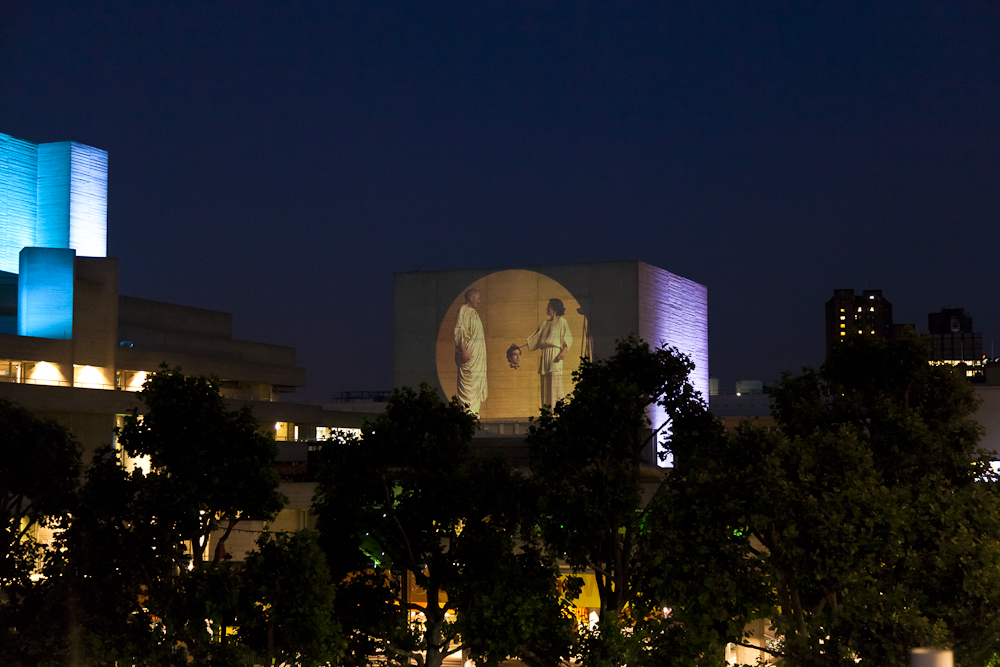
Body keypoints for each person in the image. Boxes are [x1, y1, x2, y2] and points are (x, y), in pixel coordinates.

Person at [524, 298, 573, 407]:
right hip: (545, 355)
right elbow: (533, 339)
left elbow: (568, 338)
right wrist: (517, 346)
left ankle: (557, 412)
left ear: (555, 308)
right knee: (545, 385)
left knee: (555, 384)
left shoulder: (562, 321)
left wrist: (564, 352)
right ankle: (547, 412)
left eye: (549, 306)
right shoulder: (544, 324)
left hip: (555, 354)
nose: (547, 308)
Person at [454, 288, 487, 416]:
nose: (479, 301)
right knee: (469, 382)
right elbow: (459, 331)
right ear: (471, 298)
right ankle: (467, 412)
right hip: (468, 354)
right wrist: (464, 351)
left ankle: (474, 412)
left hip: (477, 356)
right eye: (477, 299)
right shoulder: (464, 310)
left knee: (476, 382)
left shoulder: (475, 313)